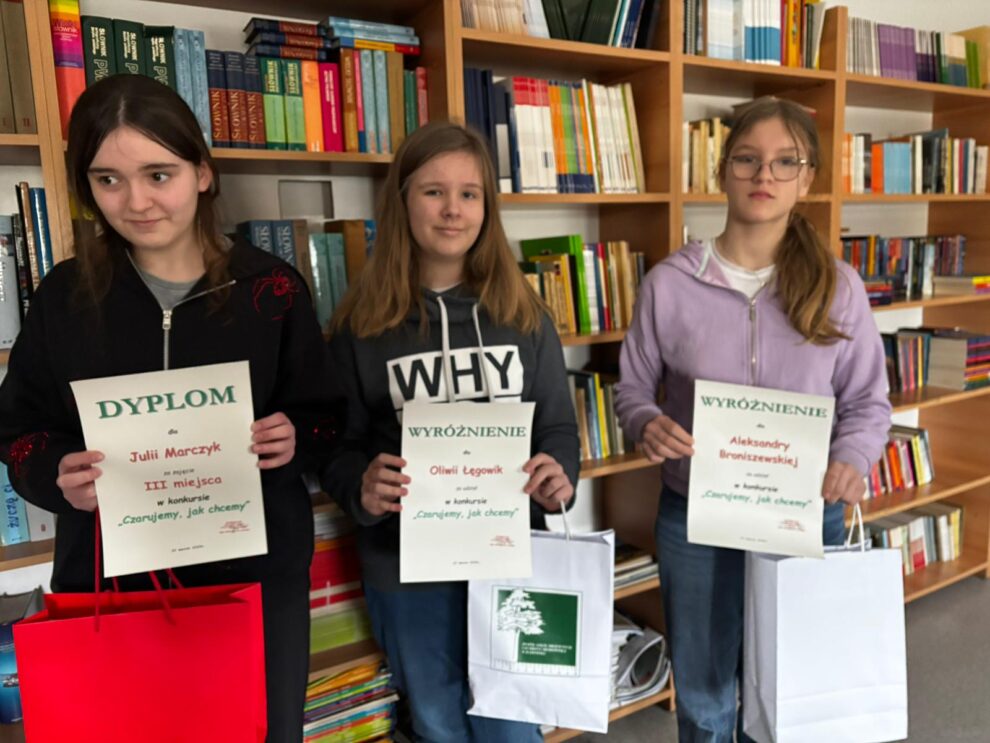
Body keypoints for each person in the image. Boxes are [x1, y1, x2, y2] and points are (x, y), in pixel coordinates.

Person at [0, 75, 336, 740]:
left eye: (159, 174)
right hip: (109, 586)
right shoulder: (65, 297)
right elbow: (18, 430)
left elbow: (327, 414)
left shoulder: (272, 288)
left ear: (202, 173)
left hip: (252, 581)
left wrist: (296, 436)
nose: (136, 201)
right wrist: (56, 473)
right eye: (108, 180)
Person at [614, 96, 892, 742]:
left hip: (802, 511)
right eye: (746, 159)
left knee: (792, 687)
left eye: (784, 162)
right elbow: (633, 389)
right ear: (722, 172)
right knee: (705, 693)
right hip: (696, 515)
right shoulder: (669, 283)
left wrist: (852, 457)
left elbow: (867, 402)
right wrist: (646, 421)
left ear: (806, 179)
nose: (764, 175)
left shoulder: (838, 286)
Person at [321, 121, 579, 742]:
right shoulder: (362, 325)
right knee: (436, 721)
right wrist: (362, 486)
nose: (452, 210)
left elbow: (558, 427)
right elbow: (336, 446)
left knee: (511, 725)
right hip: (404, 565)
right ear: (402, 201)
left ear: (487, 208)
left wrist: (558, 476)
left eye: (469, 193)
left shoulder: (524, 314)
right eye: (433, 191)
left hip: (512, 556)